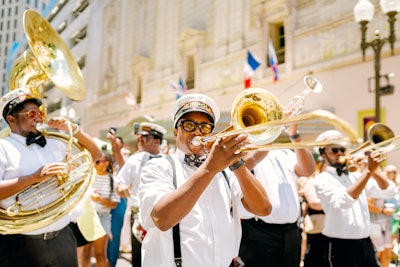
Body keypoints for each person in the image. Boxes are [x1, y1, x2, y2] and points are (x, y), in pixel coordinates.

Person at [138, 93, 271, 267]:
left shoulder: (225, 172)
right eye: (189, 125)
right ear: (176, 131)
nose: (197, 131)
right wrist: (210, 168)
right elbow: (162, 219)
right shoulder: (160, 167)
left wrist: (236, 163)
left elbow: (263, 208)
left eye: (205, 126)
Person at [0, 88, 101, 267]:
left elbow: (95, 154)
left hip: (62, 236)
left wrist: (74, 129)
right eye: (31, 114)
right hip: (21, 242)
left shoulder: (55, 141)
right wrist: (33, 178)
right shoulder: (3, 148)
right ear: (11, 119)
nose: (38, 118)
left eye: (40, 113)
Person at [313, 130, 397, 267]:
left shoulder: (356, 176)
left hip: (365, 243)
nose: (340, 153)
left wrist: (374, 170)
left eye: (342, 149)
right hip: (340, 245)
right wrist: (368, 171)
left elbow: (389, 191)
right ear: (323, 154)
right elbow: (343, 202)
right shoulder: (323, 179)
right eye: (334, 150)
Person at [237, 123, 316, 267]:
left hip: (291, 232)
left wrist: (294, 135)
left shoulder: (283, 152)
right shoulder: (244, 150)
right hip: (259, 232)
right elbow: (248, 163)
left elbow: (308, 170)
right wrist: (269, 137)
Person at [116, 121, 167, 267]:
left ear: (157, 141)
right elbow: (120, 182)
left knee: (162, 256)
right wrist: (122, 188)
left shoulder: (169, 161)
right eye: (138, 138)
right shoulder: (135, 160)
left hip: (162, 215)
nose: (140, 141)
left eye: (144, 138)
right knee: (139, 256)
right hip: (139, 215)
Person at [80, 148, 120, 267]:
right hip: (86, 216)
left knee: (100, 254)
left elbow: (114, 204)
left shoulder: (113, 179)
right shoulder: (88, 176)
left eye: (98, 161)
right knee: (86, 252)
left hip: (103, 217)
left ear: (106, 162)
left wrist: (99, 199)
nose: (94, 164)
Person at [366, 164, 399, 267]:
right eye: (389, 172)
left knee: (388, 252)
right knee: (378, 252)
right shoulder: (373, 186)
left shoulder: (391, 186)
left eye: (393, 172)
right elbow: (368, 205)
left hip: (390, 223)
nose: (391, 174)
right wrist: (383, 210)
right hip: (376, 224)